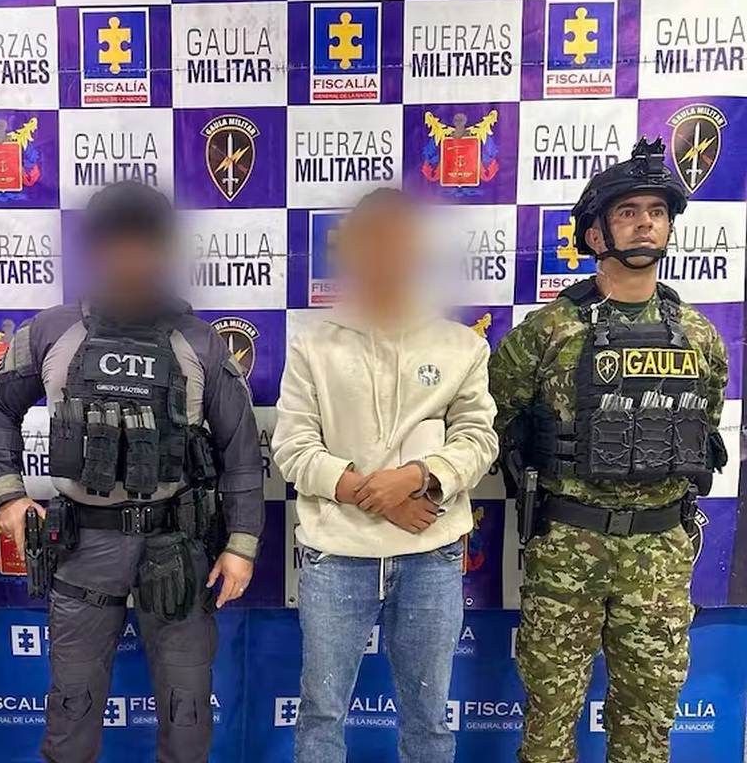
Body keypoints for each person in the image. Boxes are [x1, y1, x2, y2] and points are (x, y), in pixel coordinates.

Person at [0, 181, 264, 763]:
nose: (131, 256)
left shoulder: (200, 341)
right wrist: (7, 494)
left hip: (177, 545)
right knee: (72, 704)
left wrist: (241, 544)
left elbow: (240, 450)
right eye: (117, 242)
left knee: (187, 707)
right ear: (95, 249)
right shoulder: (52, 330)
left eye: (145, 243)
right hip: (83, 543)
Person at [489, 138, 729, 763]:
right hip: (567, 549)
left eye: (657, 211)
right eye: (627, 211)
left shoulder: (699, 335)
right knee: (548, 723)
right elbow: (495, 421)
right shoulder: (548, 332)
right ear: (596, 234)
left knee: (648, 724)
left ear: (669, 227)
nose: (645, 221)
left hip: (660, 554)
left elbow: (702, 425)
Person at [272, 187, 498, 763]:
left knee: (429, 721)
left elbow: (479, 440)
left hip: (431, 555)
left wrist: (421, 475)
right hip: (336, 555)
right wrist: (377, 494)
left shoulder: (459, 346)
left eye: (397, 241)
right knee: (321, 714)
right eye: (371, 241)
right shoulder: (313, 344)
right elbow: (293, 448)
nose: (384, 254)